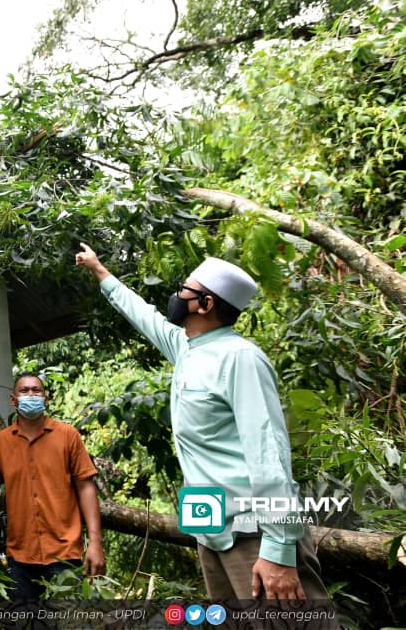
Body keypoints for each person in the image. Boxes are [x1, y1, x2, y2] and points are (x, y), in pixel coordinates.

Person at [75, 244, 328, 601]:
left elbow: (269, 456)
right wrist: (100, 271)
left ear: (206, 304)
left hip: (254, 535)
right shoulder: (188, 347)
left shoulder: (240, 359)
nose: (176, 295)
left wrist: (279, 550)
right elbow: (144, 316)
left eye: (185, 290)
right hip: (211, 532)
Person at [0, 373, 106, 599]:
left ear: (46, 400)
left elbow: (85, 487)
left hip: (64, 555)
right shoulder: (1, 442)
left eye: (36, 390)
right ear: (13, 400)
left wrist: (95, 542)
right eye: (24, 391)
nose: (31, 395)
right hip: (20, 557)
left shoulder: (68, 436)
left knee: (66, 621)